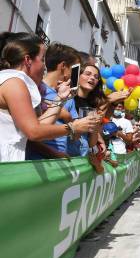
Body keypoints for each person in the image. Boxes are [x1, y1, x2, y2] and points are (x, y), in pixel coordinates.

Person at [0, 32, 96, 162]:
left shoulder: (13, 81)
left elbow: (37, 126)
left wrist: (60, 99)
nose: (45, 66)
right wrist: (73, 128)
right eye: (42, 59)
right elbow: (34, 132)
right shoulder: (15, 82)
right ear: (28, 60)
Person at [27, 43, 82, 159]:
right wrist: (54, 154)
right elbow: (28, 133)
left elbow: (75, 136)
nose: (77, 75)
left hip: (59, 165)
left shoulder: (68, 97)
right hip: (34, 162)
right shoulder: (34, 89)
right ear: (63, 66)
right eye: (76, 69)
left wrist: (68, 117)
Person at [67, 64, 107, 173]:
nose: (92, 78)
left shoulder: (93, 105)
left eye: (96, 76)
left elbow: (91, 143)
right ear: (78, 76)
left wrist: (96, 126)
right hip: (65, 156)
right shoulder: (67, 98)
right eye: (88, 74)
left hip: (81, 157)